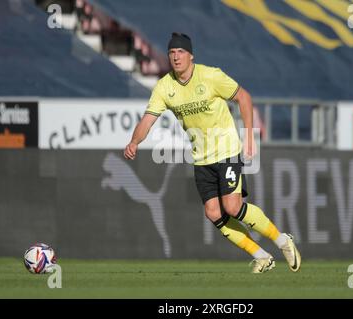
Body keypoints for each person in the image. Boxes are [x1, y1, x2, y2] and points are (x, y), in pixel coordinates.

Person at [124, 32, 301, 273]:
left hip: (227, 150)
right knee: (213, 212)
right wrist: (134, 142)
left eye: (181, 52)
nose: (176, 57)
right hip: (201, 158)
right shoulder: (165, 86)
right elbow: (147, 120)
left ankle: (282, 240)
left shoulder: (210, 76)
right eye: (172, 53)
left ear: (191, 56)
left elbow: (244, 97)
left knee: (232, 207)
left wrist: (250, 135)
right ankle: (261, 256)